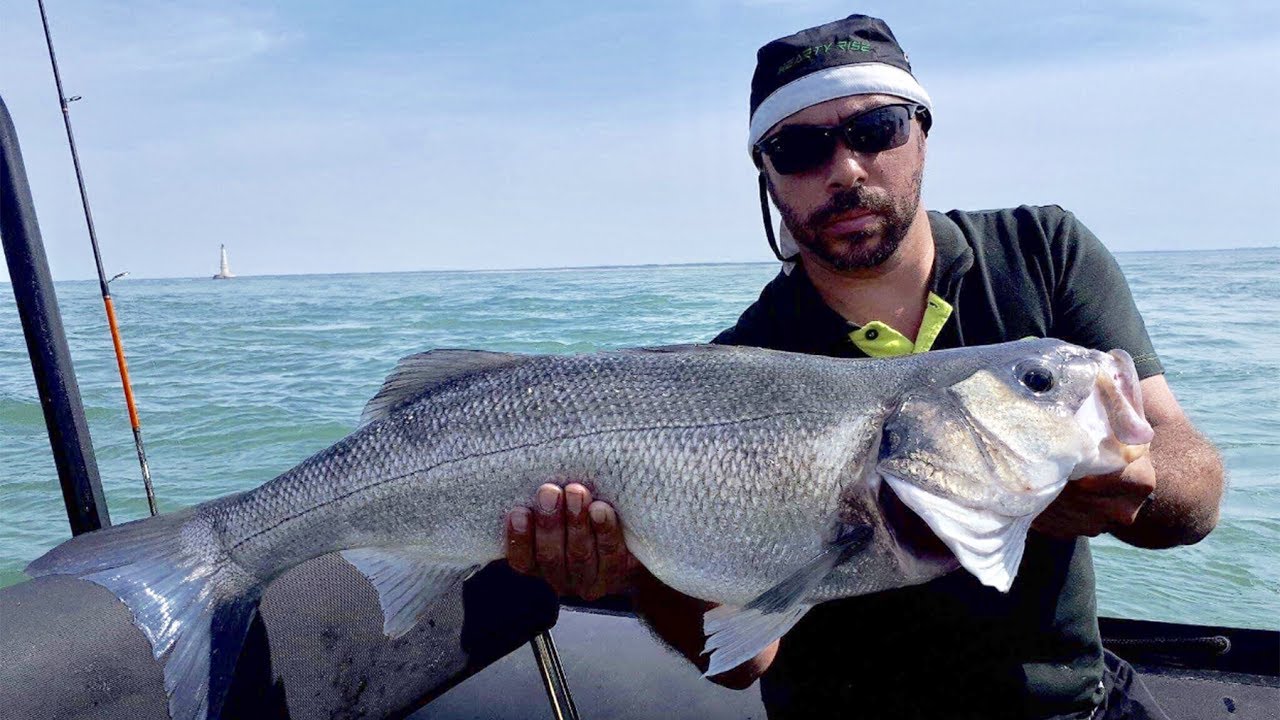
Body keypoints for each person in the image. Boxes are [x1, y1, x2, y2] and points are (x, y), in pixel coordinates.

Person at [504, 14, 1224, 719]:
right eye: (798, 148)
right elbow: (744, 661)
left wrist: (1144, 486)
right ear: (767, 175)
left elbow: (1191, 487)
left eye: (876, 130)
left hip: (1069, 702)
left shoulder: (1044, 251)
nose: (845, 170)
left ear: (922, 135)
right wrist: (634, 570)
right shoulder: (739, 366)